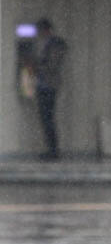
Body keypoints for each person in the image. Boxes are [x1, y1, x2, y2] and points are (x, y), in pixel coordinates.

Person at [26, 19, 67, 161]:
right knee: (44, 119)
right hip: (41, 85)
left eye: (40, 31)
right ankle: (50, 149)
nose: (39, 34)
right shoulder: (41, 44)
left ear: (47, 30)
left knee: (48, 118)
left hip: (49, 85)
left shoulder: (56, 44)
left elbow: (53, 65)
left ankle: (53, 151)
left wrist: (36, 66)